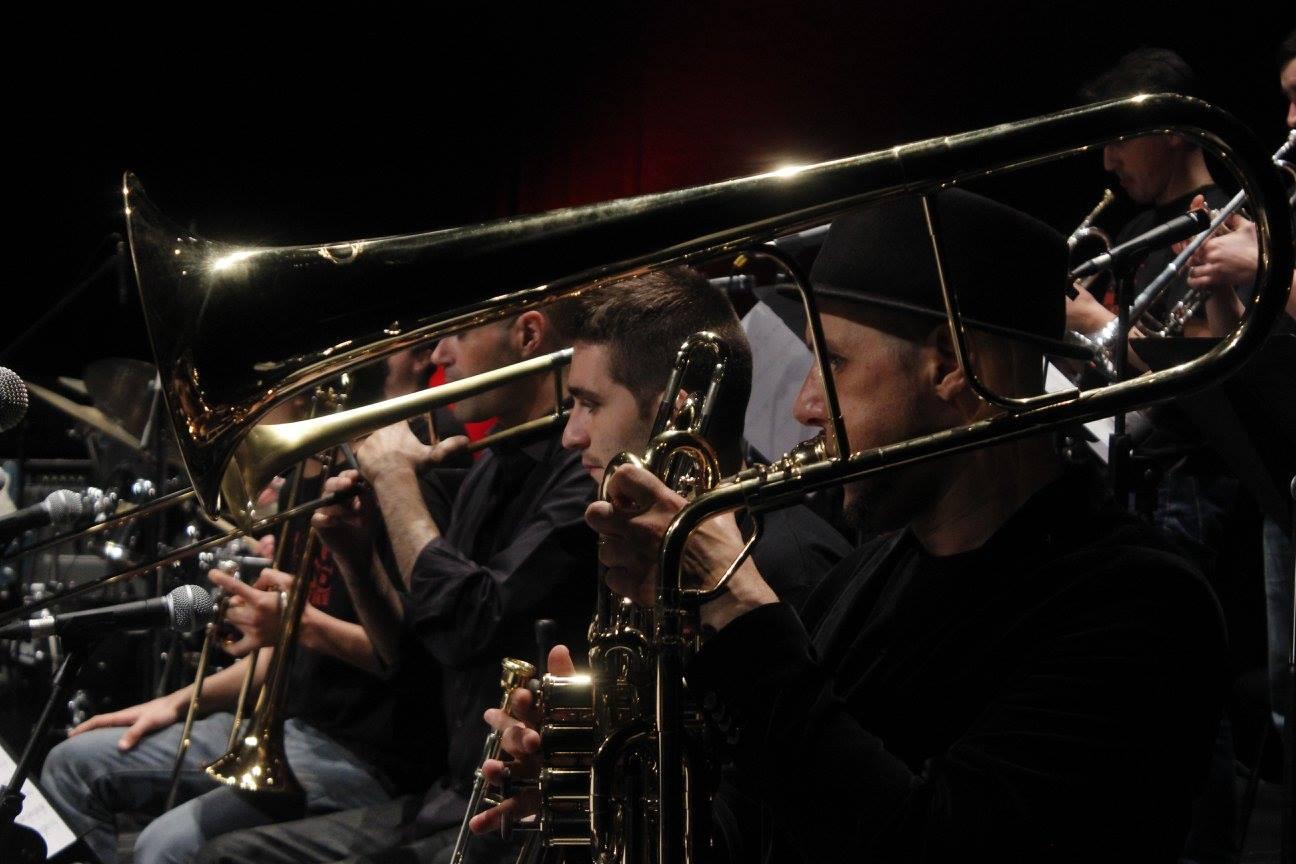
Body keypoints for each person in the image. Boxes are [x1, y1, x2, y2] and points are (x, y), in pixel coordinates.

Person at [475, 190, 1228, 862]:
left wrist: (737, 610)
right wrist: (600, 792)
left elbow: (926, 842)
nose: (804, 406)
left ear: (950, 366)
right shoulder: (871, 575)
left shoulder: (1136, 606)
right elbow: (764, 826)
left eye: (831, 364)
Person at [195, 303, 598, 864]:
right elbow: (415, 658)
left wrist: (394, 478)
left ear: (529, 335)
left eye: (456, 332)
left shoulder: (584, 476)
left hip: (516, 814)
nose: (438, 356)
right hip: (451, 798)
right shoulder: (487, 469)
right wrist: (358, 562)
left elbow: (468, 624)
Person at [40, 447, 440, 864]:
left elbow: (418, 660)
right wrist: (175, 703)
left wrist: (301, 624)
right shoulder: (307, 478)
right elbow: (278, 658)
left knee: (166, 844)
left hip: (372, 760)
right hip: (294, 728)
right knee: (72, 763)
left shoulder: (411, 486)